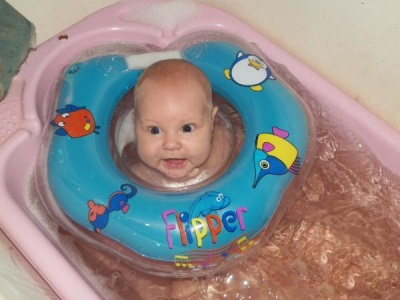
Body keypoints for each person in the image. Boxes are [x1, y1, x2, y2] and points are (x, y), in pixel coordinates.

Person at [119, 59, 236, 189]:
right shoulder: (137, 174)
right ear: (135, 124)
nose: (171, 144)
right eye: (155, 130)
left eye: (187, 128)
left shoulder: (224, 144)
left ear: (212, 121)